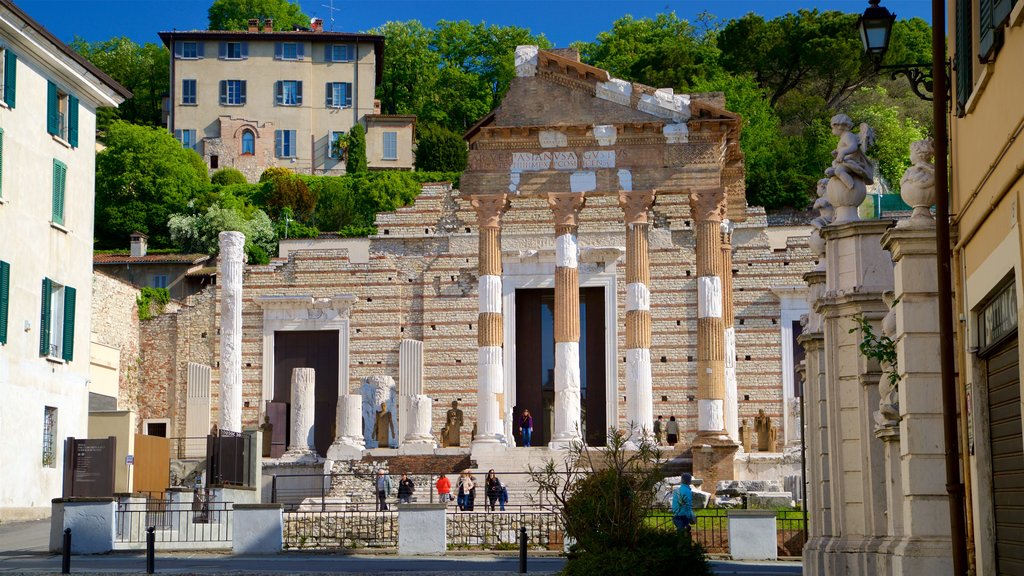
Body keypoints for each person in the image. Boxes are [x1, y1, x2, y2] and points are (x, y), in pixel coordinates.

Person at [672, 473, 696, 541]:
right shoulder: (687, 491)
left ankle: (679, 548)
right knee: (684, 536)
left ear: (681, 480)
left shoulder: (676, 491)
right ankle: (684, 549)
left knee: (680, 534)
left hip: (676, 515)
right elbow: (688, 506)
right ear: (689, 481)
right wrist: (691, 517)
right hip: (684, 516)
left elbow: (674, 505)